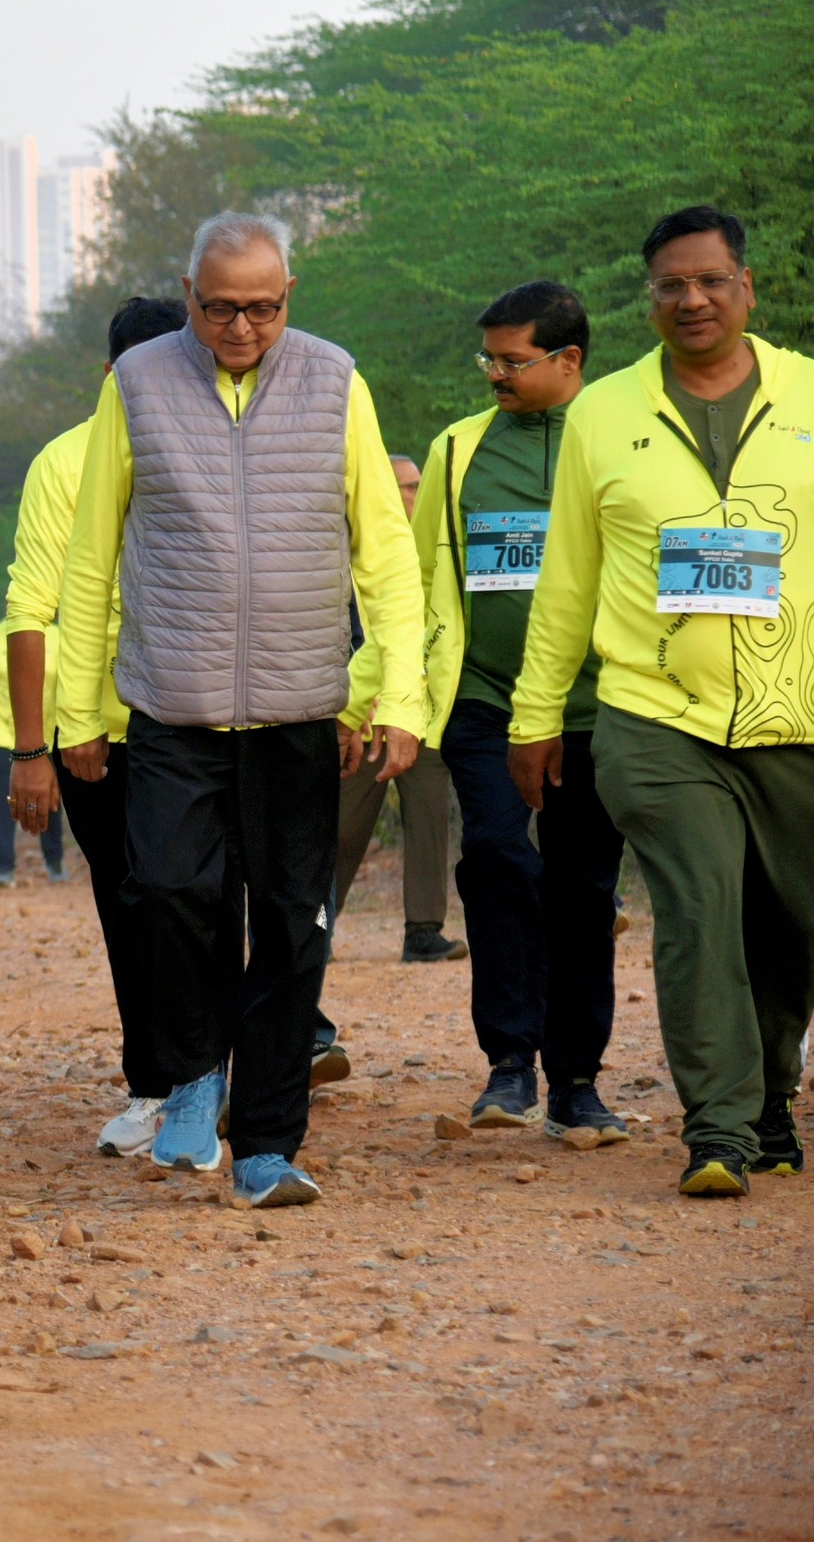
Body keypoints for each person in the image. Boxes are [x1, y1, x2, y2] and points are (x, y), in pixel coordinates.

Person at [55, 212, 427, 1210]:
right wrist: (77, 710)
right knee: (164, 890)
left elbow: (384, 553)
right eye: (219, 307)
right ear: (189, 296)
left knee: (293, 930)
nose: (240, 327)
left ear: (287, 296)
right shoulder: (139, 383)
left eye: (261, 308)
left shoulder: (334, 380)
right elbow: (90, 558)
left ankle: (267, 1144)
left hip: (297, 713)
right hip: (170, 710)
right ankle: (191, 1071)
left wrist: (399, 695)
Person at [509, 207, 814, 1198]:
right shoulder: (602, 413)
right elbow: (567, 578)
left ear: (745, 287)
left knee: (784, 923)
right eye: (670, 284)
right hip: (656, 713)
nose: (691, 299)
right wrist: (534, 714)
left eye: (710, 280)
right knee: (696, 907)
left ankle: (769, 1101)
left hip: (795, 714)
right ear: (647, 298)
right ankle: (716, 1127)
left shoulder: (808, 393)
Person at [414, 282, 627, 1140]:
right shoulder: (457, 450)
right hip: (484, 700)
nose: (494, 374)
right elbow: (418, 578)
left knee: (582, 886)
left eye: (511, 360)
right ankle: (509, 1064)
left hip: (594, 708)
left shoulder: (616, 439)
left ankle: (575, 1080)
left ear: (567, 359)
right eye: (488, 359)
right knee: (496, 855)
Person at [7, 295, 186, 1155]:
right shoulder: (63, 463)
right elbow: (30, 609)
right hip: (98, 733)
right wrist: (30, 748)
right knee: (131, 900)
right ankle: (155, 1083)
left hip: (206, 719)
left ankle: (241, 1060)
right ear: (112, 375)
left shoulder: (218, 446)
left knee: (204, 893)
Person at [335, 455, 465, 964]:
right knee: (341, 826)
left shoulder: (434, 551)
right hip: (361, 707)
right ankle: (313, 926)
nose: (412, 495)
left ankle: (424, 930)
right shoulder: (350, 553)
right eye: (403, 487)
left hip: (421, 708)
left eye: (415, 486)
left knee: (429, 813)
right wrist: (350, 700)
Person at [0, 619, 66, 886]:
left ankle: (54, 863)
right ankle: (4, 868)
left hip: (50, 734)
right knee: (6, 796)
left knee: (50, 799)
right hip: (3, 736)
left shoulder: (59, 637)